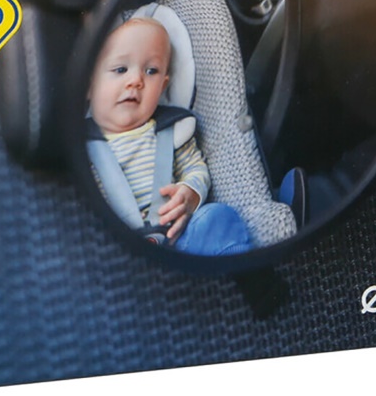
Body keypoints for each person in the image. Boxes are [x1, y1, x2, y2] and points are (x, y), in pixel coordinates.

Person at [86, 17, 252, 255]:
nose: (136, 80)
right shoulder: (81, 145)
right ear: (90, 86)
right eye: (120, 69)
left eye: (151, 71)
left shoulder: (172, 130)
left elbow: (195, 169)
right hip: (113, 252)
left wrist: (190, 193)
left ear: (163, 87)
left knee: (218, 218)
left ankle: (244, 272)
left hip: (178, 241)